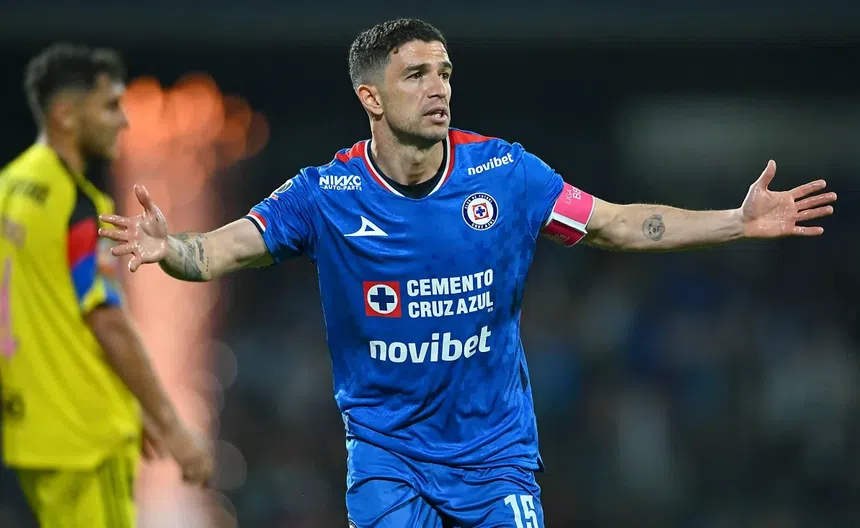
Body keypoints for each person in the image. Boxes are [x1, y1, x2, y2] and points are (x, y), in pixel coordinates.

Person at [99, 19, 837, 528]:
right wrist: (173, 248)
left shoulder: (506, 175)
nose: (439, 88)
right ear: (370, 98)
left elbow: (615, 223)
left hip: (495, 462)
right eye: (416, 75)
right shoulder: (324, 195)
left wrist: (736, 221)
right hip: (388, 461)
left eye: (445, 73)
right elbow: (220, 251)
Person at [0, 43, 213, 528]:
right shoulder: (78, 208)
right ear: (65, 115)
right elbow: (108, 321)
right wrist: (173, 427)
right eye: (110, 106)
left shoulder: (9, 186)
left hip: (30, 428)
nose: (124, 120)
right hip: (87, 436)